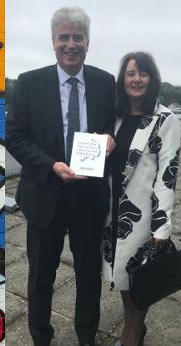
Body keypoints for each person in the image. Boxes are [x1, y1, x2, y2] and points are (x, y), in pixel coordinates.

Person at [6, 6, 116, 346]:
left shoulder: (104, 82)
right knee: (40, 275)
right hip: (45, 192)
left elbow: (113, 125)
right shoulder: (29, 82)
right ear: (53, 41)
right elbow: (14, 135)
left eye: (77, 37)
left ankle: (86, 336)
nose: (71, 44)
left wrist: (111, 138)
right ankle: (41, 336)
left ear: (88, 43)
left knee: (88, 274)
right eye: (64, 37)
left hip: (89, 196)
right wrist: (51, 165)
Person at [102, 52, 180, 346]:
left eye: (143, 73)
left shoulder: (165, 119)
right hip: (112, 216)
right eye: (131, 73)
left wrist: (162, 228)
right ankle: (137, 329)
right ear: (123, 79)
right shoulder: (115, 117)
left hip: (142, 218)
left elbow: (167, 176)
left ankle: (131, 336)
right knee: (124, 277)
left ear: (152, 79)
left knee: (141, 279)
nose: (136, 79)